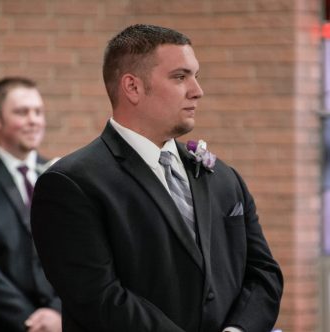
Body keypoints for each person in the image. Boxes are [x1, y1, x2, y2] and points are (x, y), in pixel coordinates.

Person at [31, 24, 283, 332]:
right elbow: (98, 297)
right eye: (180, 76)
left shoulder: (223, 177)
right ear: (133, 87)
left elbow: (263, 272)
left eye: (196, 75)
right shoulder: (71, 183)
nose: (197, 90)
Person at [0, 77, 62, 332]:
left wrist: (58, 311)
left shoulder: (61, 178)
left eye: (38, 112)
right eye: (22, 112)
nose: (34, 120)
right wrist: (28, 320)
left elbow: (75, 249)